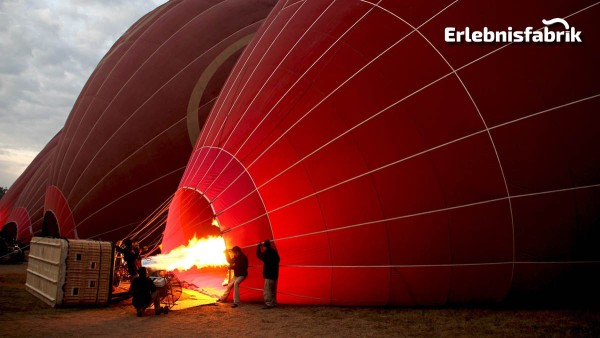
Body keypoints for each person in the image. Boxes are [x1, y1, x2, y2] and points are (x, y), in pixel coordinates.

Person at [256, 240, 280, 309]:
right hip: (275, 274)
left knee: (267, 290)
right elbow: (279, 260)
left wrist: (258, 247)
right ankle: (273, 303)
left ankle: (269, 303)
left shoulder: (267, 253)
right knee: (273, 290)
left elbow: (259, 255)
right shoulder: (274, 252)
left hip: (269, 275)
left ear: (265, 247)